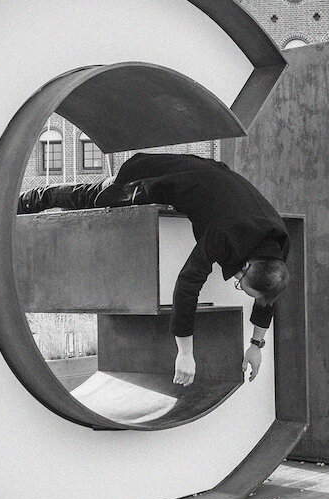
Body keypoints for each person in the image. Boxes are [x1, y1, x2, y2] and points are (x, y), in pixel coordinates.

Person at [18, 152, 290, 387]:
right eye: (240, 282)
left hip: (205, 175)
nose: (237, 283)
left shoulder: (276, 248)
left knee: (97, 195)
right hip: (150, 175)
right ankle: (33, 199)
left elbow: (266, 298)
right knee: (94, 197)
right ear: (246, 265)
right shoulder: (224, 234)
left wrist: (256, 345)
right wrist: (184, 352)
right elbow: (187, 285)